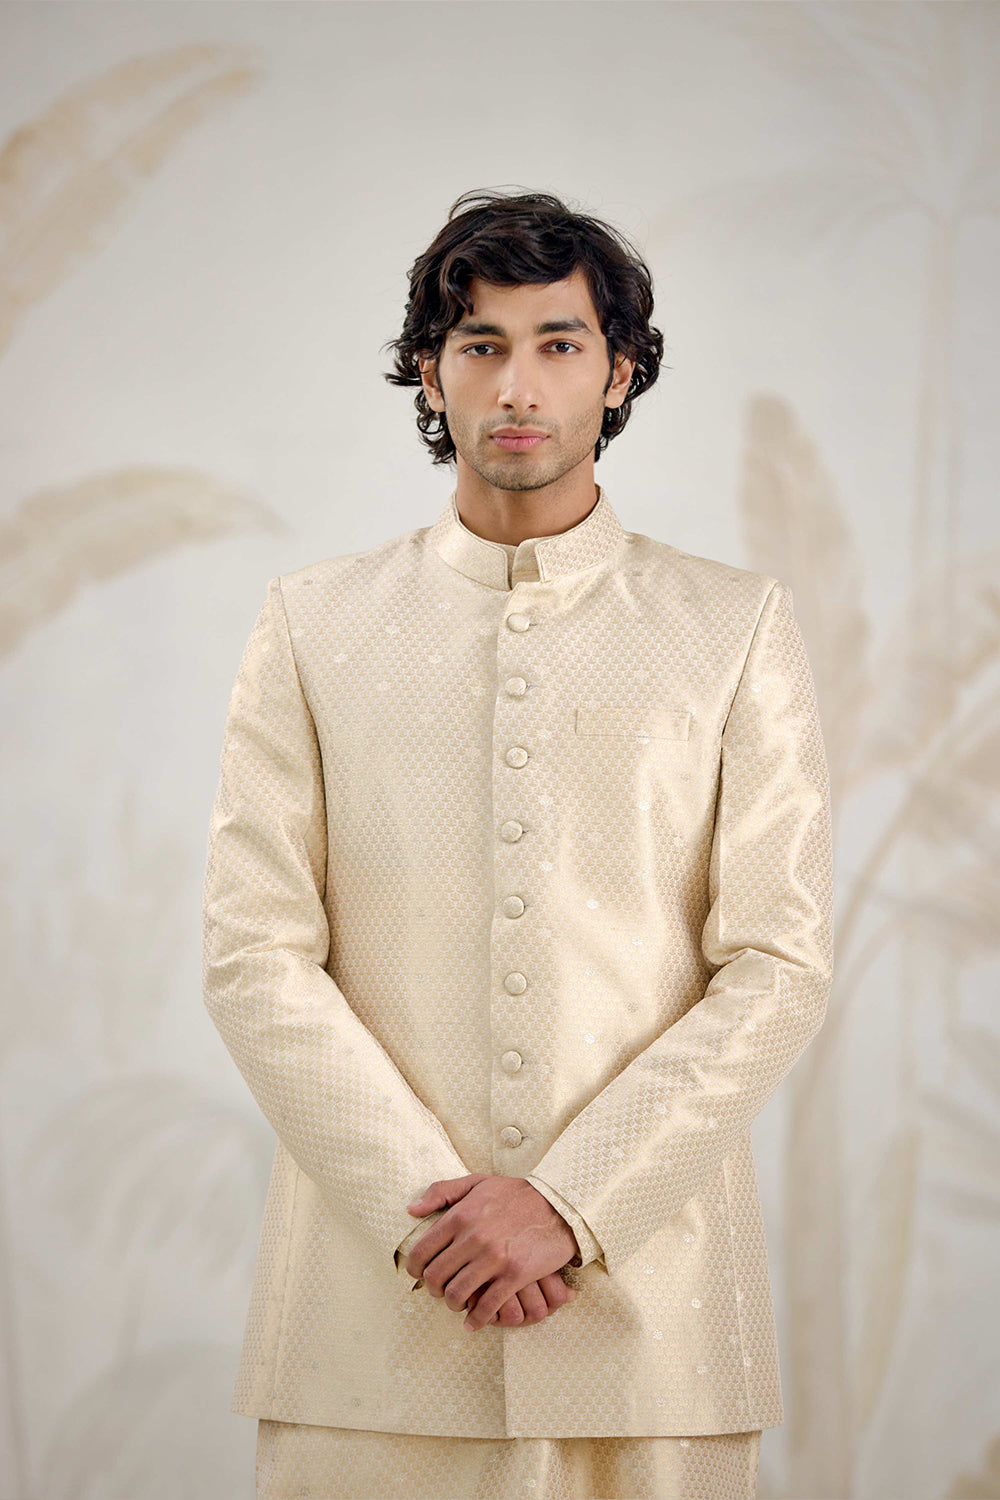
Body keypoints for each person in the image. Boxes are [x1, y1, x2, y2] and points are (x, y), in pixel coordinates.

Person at [202, 186, 834, 1500]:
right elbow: (255, 955)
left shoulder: (733, 628)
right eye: (480, 344)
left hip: (653, 1321)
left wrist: (572, 1203)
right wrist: (427, 1211)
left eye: (559, 342)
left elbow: (777, 963)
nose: (518, 386)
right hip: (369, 1324)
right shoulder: (313, 625)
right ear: (430, 373)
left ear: (621, 371)